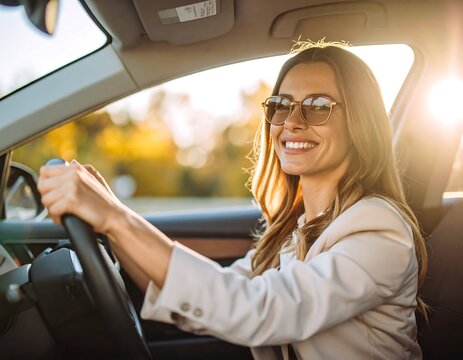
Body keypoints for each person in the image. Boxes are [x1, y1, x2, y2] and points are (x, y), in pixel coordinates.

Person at [38, 41, 427, 359]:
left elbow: (261, 310)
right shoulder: (295, 230)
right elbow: (220, 293)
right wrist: (114, 225)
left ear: (361, 123)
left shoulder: (380, 230)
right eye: (280, 105)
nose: (292, 121)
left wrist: (116, 218)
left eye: (318, 106)